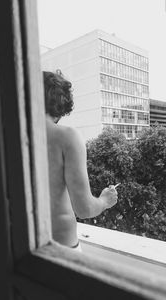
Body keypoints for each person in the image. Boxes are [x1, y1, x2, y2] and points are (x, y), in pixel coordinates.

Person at [43, 70, 118, 251]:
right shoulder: (66, 137)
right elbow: (84, 209)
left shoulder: (4, 136)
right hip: (60, 247)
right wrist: (104, 200)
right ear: (60, 104)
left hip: (18, 246)